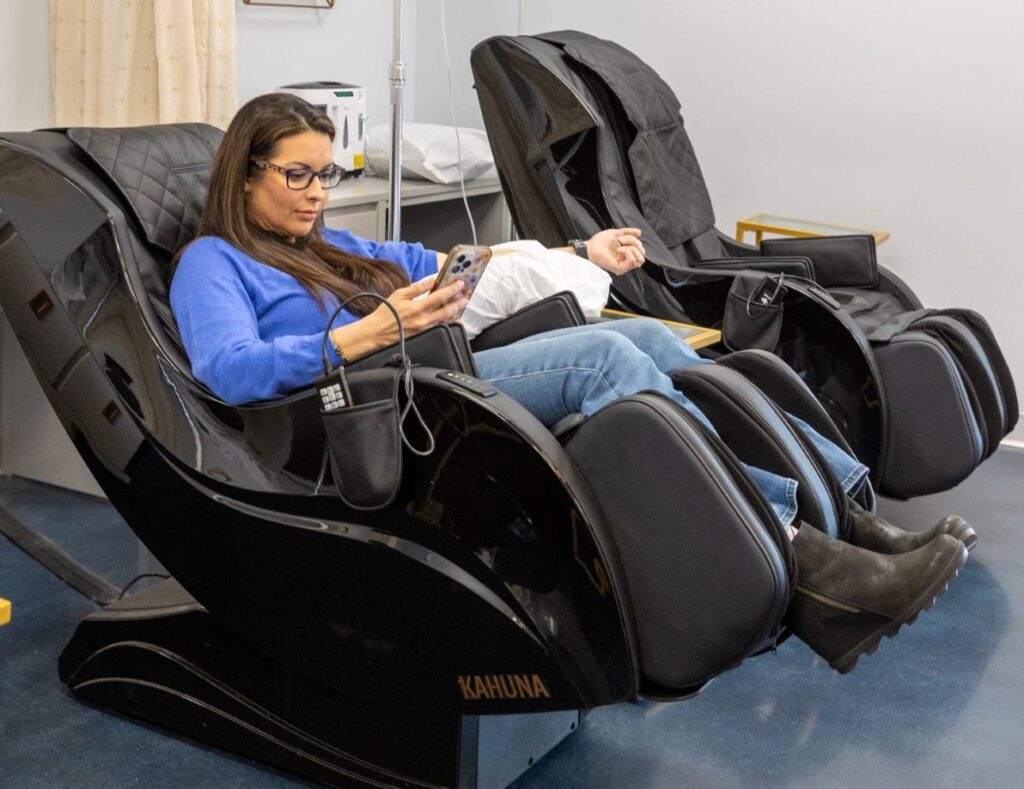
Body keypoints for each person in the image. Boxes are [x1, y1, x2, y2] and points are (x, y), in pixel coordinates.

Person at [170, 93, 974, 674]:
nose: (316, 193)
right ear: (244, 176)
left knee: (647, 334)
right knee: (604, 362)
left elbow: (440, 265)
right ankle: (807, 560)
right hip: (383, 404)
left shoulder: (330, 240)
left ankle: (847, 513)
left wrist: (558, 259)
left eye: (326, 173)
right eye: (297, 175)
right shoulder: (214, 262)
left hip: (433, 360)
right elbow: (227, 369)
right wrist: (368, 332)